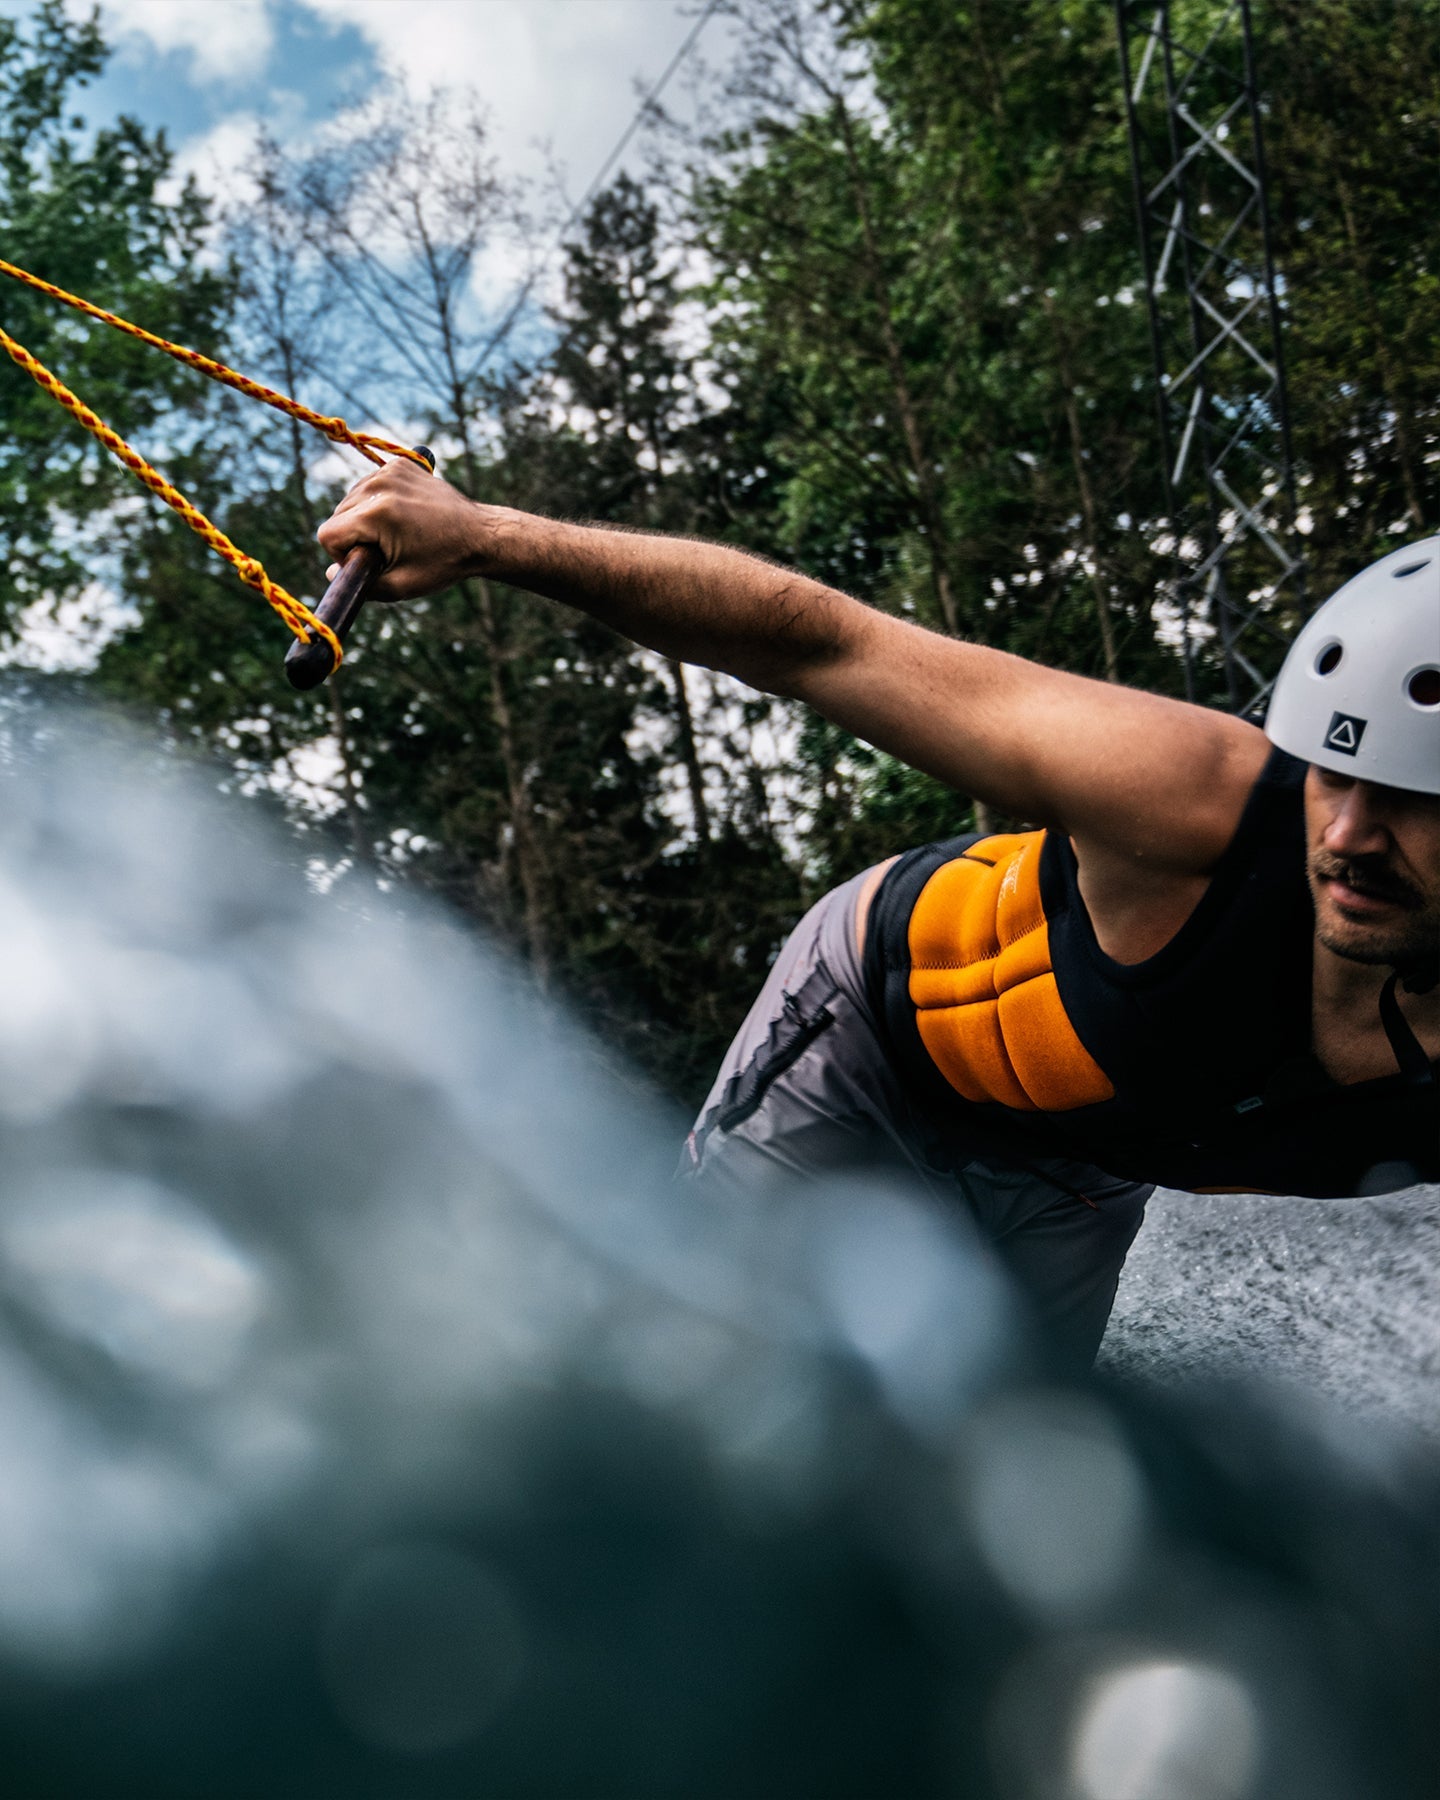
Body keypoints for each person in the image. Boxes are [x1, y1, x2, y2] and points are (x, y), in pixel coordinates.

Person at [318, 465, 1439, 1363]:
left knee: (1023, 1498)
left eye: (1415, 802)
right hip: (868, 1046)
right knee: (710, 1386)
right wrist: (486, 535)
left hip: (1079, 1168)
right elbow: (816, 641)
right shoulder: (1197, 801)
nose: (1344, 836)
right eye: (1335, 778)